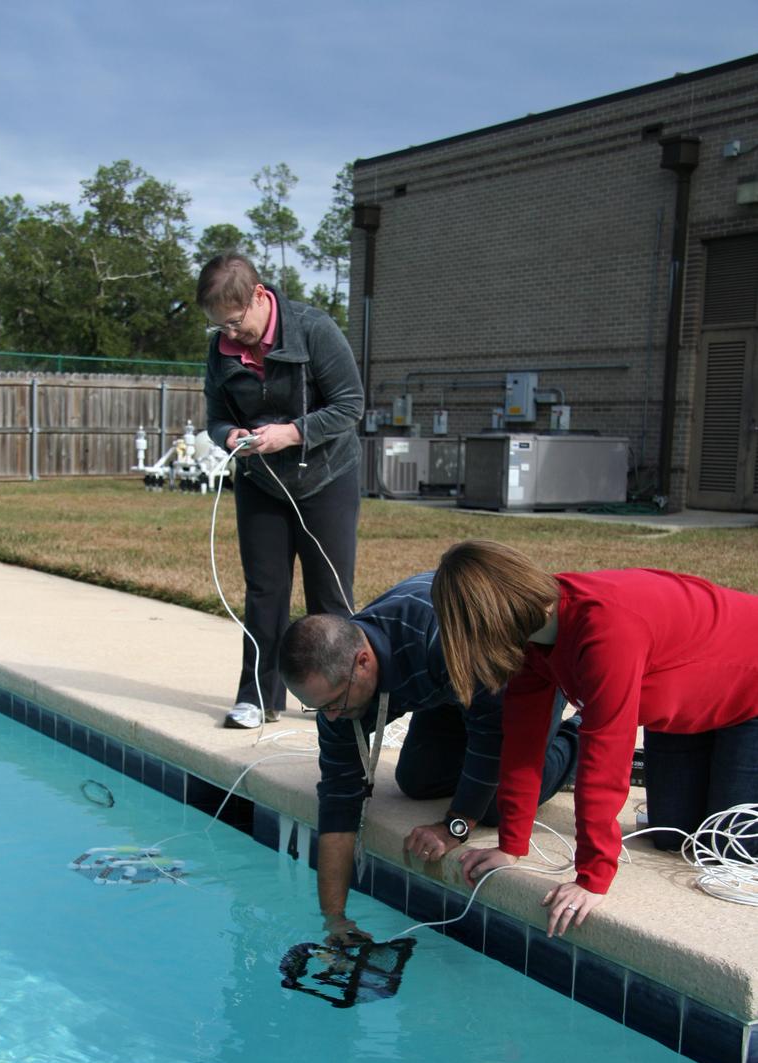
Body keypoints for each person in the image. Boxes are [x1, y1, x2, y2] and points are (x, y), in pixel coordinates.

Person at [431, 540, 758, 939]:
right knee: (673, 835)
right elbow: (522, 743)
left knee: (729, 850)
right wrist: (510, 845)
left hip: (749, 695)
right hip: (687, 708)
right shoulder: (532, 641)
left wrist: (593, 877)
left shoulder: (607, 630)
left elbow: (605, 759)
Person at [278, 572, 580, 943]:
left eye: (335, 704)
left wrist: (456, 826)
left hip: (519, 671)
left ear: (363, 662)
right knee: (417, 781)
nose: (332, 718)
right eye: (317, 708)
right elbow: (339, 801)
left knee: (496, 807)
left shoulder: (436, 641)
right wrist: (335, 920)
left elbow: (491, 734)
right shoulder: (336, 690)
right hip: (453, 687)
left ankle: (576, 738)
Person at [197, 254, 364, 729]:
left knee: (329, 594)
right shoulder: (221, 350)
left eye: (234, 322)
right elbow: (215, 418)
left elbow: (351, 405)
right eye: (218, 326)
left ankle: (341, 700)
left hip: (327, 478)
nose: (229, 335)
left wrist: (292, 432)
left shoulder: (314, 329)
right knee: (265, 592)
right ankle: (257, 698)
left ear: (258, 296)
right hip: (260, 483)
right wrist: (228, 436)